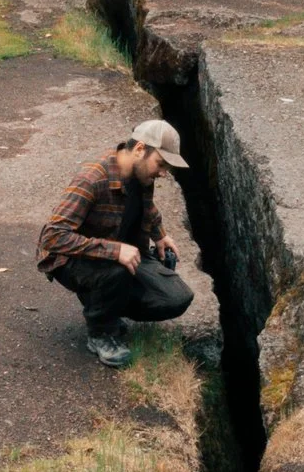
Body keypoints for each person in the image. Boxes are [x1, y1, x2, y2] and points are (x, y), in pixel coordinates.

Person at [38, 118, 196, 366]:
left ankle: (105, 303)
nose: (163, 173)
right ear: (140, 149)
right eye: (161, 164)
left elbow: (146, 207)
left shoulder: (141, 174)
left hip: (119, 253)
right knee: (117, 270)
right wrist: (114, 250)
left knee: (176, 297)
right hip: (74, 260)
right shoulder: (92, 179)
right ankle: (101, 332)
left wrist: (160, 234)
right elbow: (53, 236)